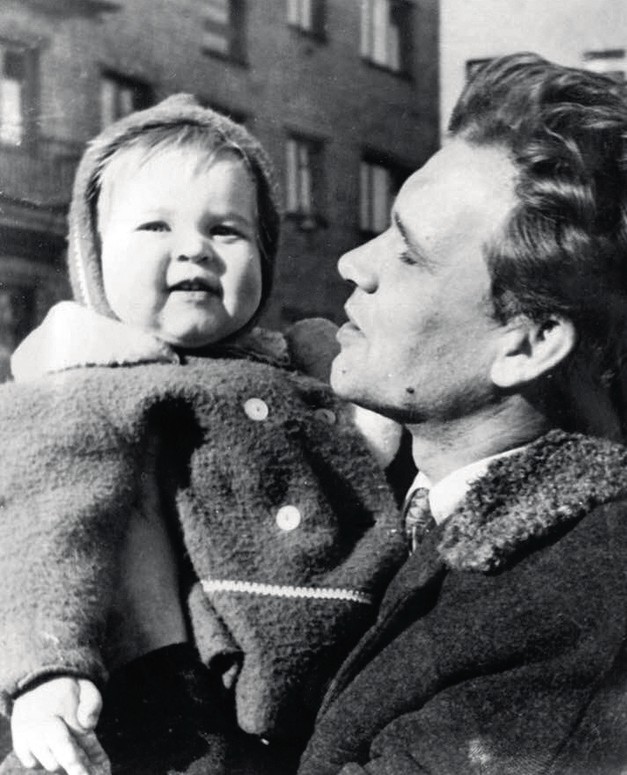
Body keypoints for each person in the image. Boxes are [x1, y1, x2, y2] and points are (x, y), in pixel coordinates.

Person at [0, 94, 407, 775]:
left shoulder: (297, 368)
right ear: (94, 256)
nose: (194, 247)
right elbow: (45, 530)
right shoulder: (89, 384)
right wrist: (47, 671)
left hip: (337, 686)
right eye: (155, 226)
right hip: (179, 707)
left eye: (226, 230)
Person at [294, 53, 627, 774]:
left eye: (410, 255)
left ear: (529, 343)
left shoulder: (577, 603)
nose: (354, 262)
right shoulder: (394, 494)